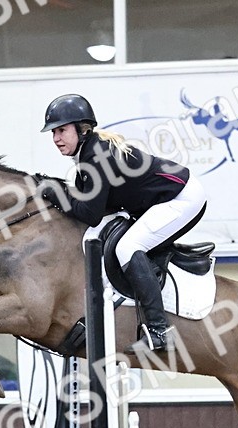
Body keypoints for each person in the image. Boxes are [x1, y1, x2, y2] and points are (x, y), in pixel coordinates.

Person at [36, 94, 207, 352]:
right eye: (53, 132)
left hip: (182, 198)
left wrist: (55, 193)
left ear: (82, 129)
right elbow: (90, 204)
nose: (56, 138)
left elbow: (90, 214)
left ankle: (160, 331)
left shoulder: (96, 155)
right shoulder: (87, 154)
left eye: (62, 130)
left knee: (127, 247)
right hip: (161, 200)